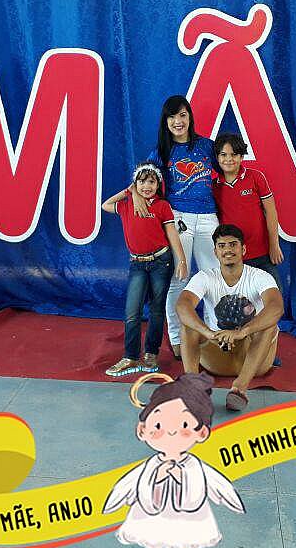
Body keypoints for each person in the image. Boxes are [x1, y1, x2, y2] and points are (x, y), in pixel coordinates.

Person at [103, 372, 245, 548]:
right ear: (142, 429)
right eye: (158, 425)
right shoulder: (152, 465)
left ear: (202, 432)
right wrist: (157, 476)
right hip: (153, 517)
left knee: (181, 546)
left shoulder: (193, 465)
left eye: (184, 425)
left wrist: (181, 476)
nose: (170, 432)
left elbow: (208, 487)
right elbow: (131, 485)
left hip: (185, 519)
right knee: (156, 540)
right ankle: (157, 545)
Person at [131, 96, 219, 360]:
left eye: (182, 115)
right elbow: (141, 178)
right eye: (172, 117)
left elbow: (228, 170)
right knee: (178, 279)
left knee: (214, 277)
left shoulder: (206, 146)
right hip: (178, 218)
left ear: (190, 116)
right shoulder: (161, 151)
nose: (177, 121)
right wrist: (134, 194)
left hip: (208, 218)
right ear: (165, 121)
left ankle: (215, 335)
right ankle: (178, 339)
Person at [175, 224, 282, 412]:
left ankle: (239, 389)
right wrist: (208, 333)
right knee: (188, 324)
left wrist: (242, 332)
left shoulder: (260, 276)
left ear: (243, 249)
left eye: (233, 244)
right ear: (215, 252)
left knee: (269, 325)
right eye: (222, 246)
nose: (228, 250)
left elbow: (276, 307)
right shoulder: (205, 277)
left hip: (253, 359)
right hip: (218, 354)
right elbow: (182, 305)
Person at [103, 163, 188, 377]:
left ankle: (151, 353)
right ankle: (130, 355)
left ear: (158, 184)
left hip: (161, 262)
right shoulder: (127, 205)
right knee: (132, 312)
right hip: (138, 264)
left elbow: (172, 233)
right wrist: (130, 192)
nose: (146, 186)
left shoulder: (162, 206)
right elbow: (106, 205)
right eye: (141, 182)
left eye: (151, 181)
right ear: (135, 184)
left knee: (157, 310)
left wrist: (181, 260)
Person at [212, 132, 283, 288]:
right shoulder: (213, 186)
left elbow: (271, 211)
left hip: (263, 253)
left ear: (242, 156)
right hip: (234, 257)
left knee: (274, 296)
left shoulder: (256, 177)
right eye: (223, 154)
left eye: (234, 154)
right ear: (217, 157)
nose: (229, 159)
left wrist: (274, 245)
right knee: (241, 300)